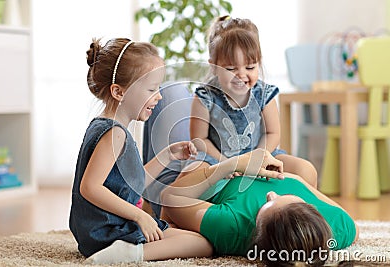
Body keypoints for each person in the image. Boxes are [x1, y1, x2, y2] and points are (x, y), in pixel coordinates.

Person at [68, 37, 214, 264]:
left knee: (190, 237)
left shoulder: (108, 127)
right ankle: (128, 255)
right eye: (152, 89)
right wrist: (140, 216)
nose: (160, 96)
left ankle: (125, 250)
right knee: (201, 244)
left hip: (100, 231)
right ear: (119, 92)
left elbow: (132, 183)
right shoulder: (114, 133)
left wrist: (168, 155)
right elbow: (89, 188)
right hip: (108, 232)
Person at [160, 148, 359, 266]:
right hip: (266, 163)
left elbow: (169, 198)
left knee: (195, 167)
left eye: (267, 204)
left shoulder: (233, 226)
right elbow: (354, 229)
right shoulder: (337, 228)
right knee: (306, 169)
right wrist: (294, 179)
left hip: (225, 178)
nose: (271, 193)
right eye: (290, 198)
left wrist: (233, 165)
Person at [188, 16, 318, 187]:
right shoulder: (205, 97)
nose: (241, 75)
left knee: (306, 170)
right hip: (218, 161)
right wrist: (227, 164)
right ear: (213, 66)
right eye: (231, 68)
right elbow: (199, 139)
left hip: (260, 156)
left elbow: (272, 133)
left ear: (259, 62)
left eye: (250, 67)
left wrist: (257, 159)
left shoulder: (264, 94)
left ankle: (303, 212)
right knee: (189, 176)